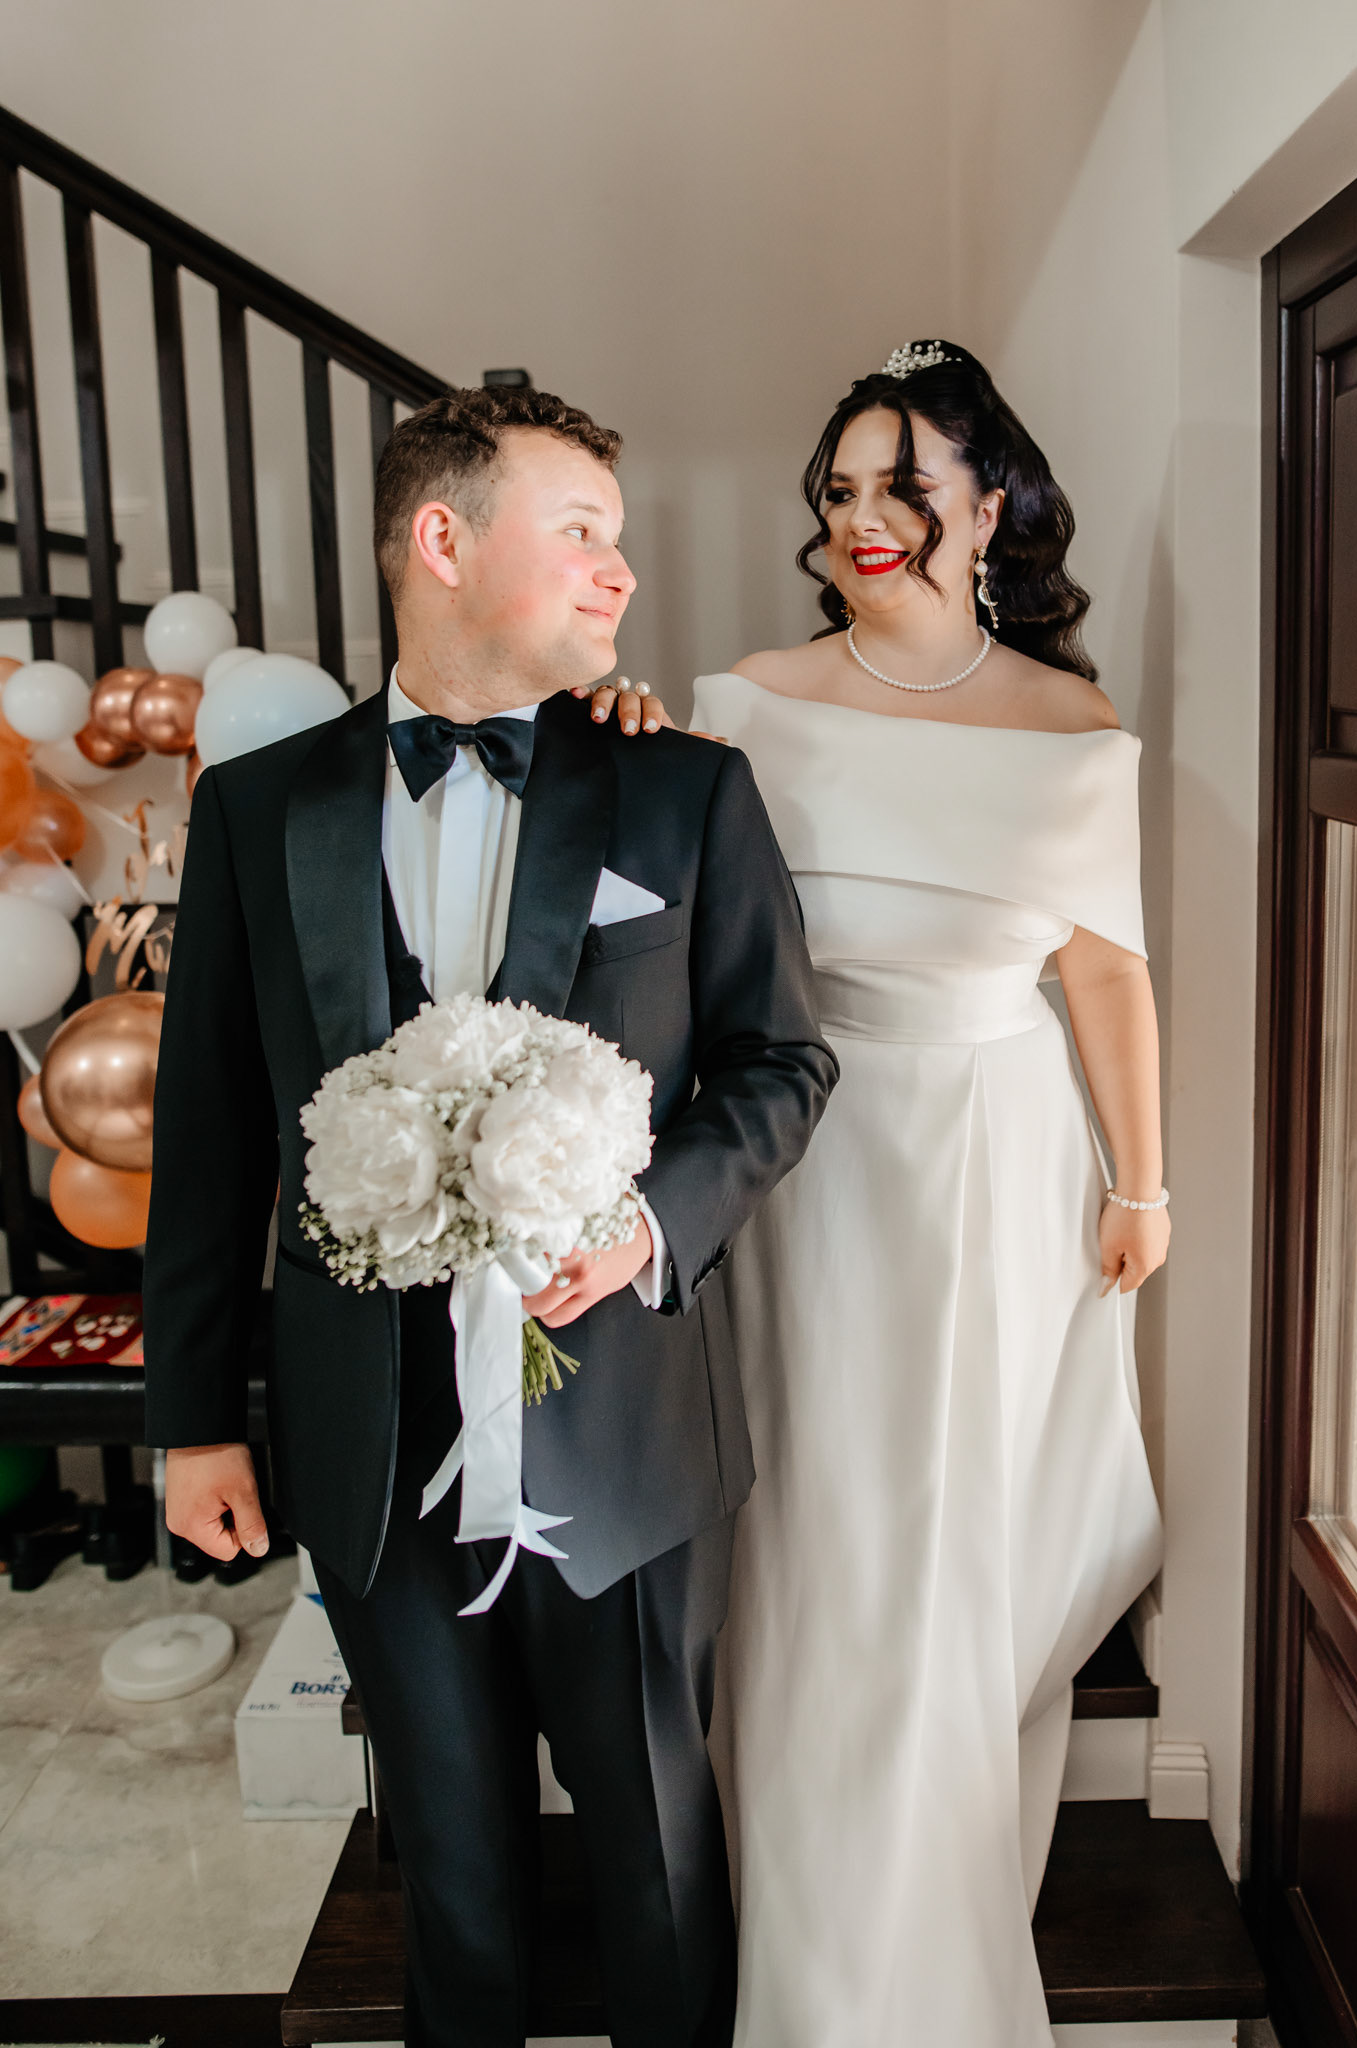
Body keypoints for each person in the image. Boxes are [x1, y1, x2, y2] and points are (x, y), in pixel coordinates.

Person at [141, 386, 837, 2048]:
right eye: (580, 529)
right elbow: (211, 1134)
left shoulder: (683, 791)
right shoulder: (259, 809)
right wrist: (196, 1421)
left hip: (625, 1440)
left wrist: (649, 1225)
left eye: (617, 536)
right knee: (450, 1889)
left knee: (658, 1861)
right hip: (370, 1445)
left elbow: (782, 1062)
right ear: (443, 540)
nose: (622, 571)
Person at [584, 341, 1166, 2046]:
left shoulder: (1073, 727)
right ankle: (823, 1935)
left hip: (1001, 1155)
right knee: (824, 1527)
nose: (866, 517)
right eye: (841, 489)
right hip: (812, 1159)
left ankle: (934, 1868)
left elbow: (1107, 973)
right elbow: (672, 916)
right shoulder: (750, 702)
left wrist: (1146, 1184)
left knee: (956, 1526)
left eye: (904, 485)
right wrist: (634, 751)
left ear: (989, 508)